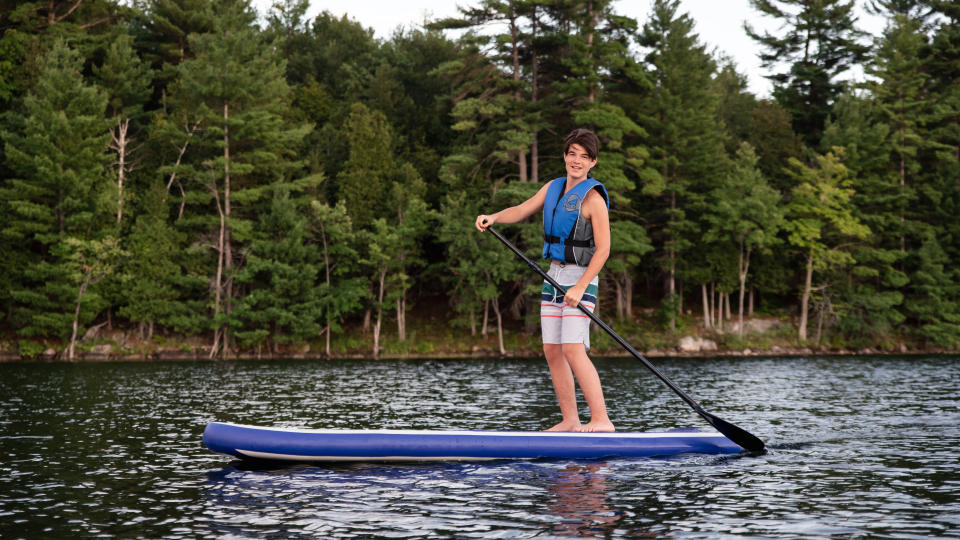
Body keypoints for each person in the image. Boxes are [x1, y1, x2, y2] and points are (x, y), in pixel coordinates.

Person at [475, 128, 614, 433]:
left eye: (584, 156)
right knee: (552, 350)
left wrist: (579, 286)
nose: (576, 161)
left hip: (581, 277)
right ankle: (570, 419)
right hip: (552, 276)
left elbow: (603, 250)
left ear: (593, 162)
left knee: (573, 348)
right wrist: (494, 217)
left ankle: (602, 420)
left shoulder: (593, 199)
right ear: (565, 156)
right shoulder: (554, 187)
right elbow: (523, 209)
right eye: (572, 154)